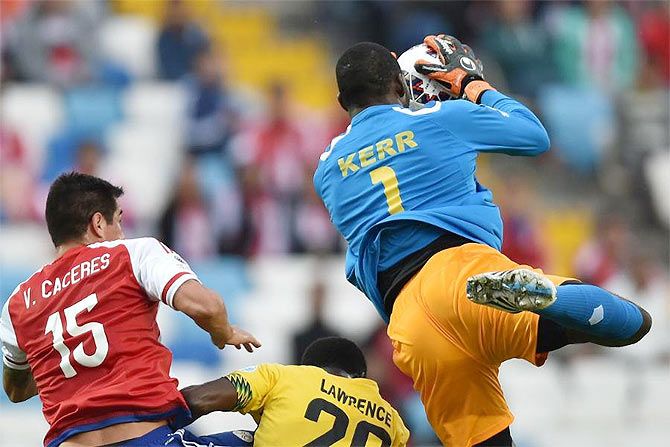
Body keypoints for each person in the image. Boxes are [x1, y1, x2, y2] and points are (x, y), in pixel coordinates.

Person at [313, 37, 651, 447]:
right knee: (632, 324)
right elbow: (534, 136)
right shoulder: (440, 118)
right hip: (463, 276)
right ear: (401, 86)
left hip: (410, 324)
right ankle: (544, 297)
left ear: (340, 100)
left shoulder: (326, 170)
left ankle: (539, 300)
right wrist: (472, 85)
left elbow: (381, 156)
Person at [0, 172, 260, 447]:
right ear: (98, 223)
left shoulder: (18, 303)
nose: (122, 233)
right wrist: (223, 333)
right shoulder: (131, 254)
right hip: (143, 438)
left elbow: (15, 389)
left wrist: (60, 363)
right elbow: (207, 307)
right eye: (119, 221)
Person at [178, 336, 410, 446]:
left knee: (244, 440)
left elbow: (199, 399)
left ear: (309, 368)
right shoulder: (393, 422)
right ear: (360, 378)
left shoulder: (285, 378)